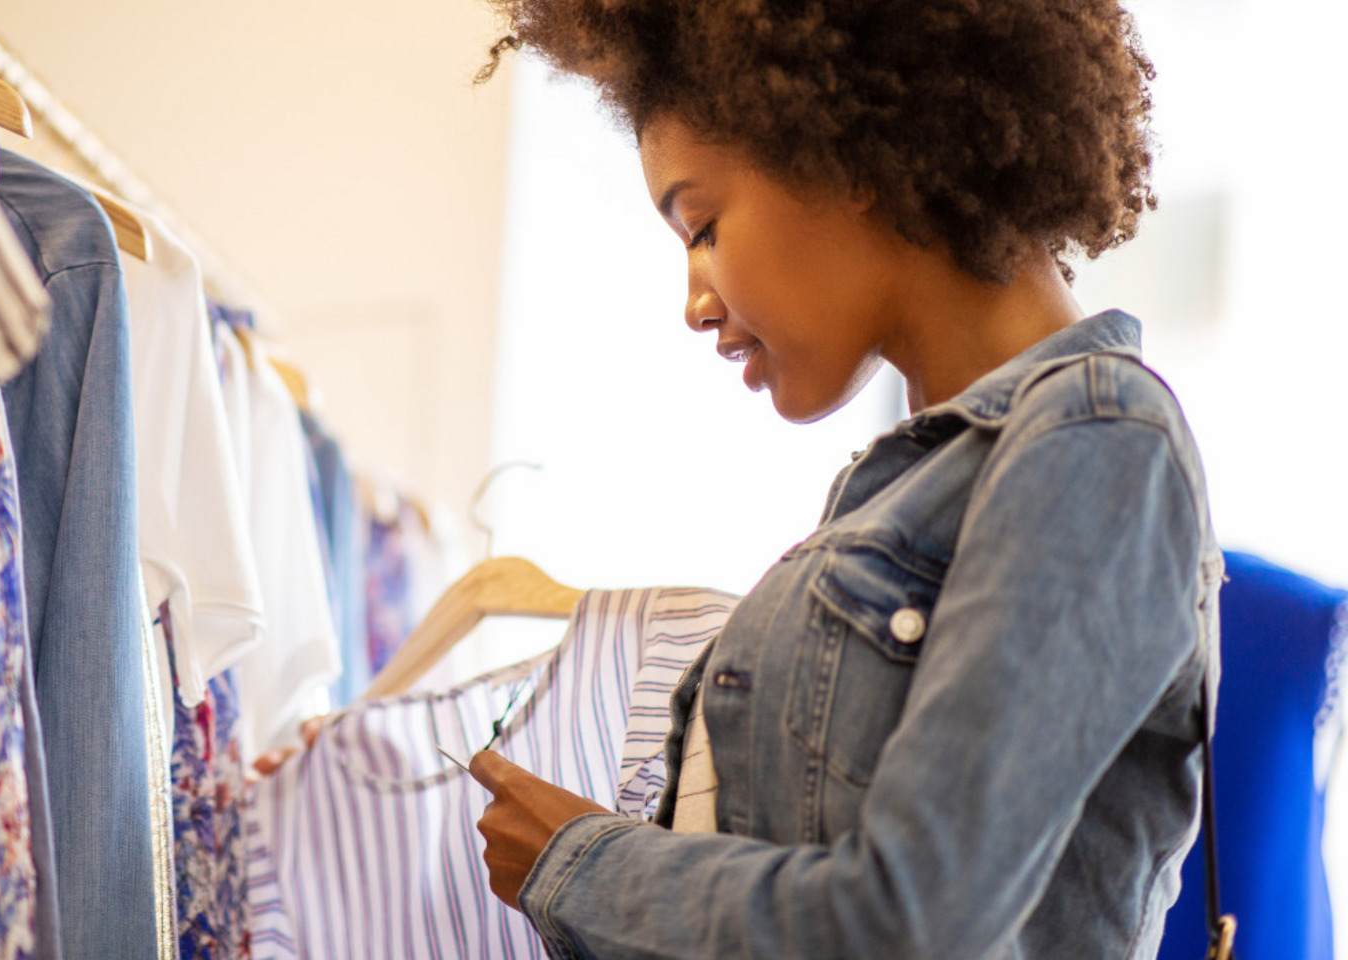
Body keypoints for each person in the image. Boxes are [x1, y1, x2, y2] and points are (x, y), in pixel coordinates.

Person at [465, 1, 1224, 957]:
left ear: (843, 158)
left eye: (700, 226)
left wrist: (576, 865)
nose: (696, 304)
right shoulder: (909, 487)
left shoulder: (1099, 441)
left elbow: (910, 922)